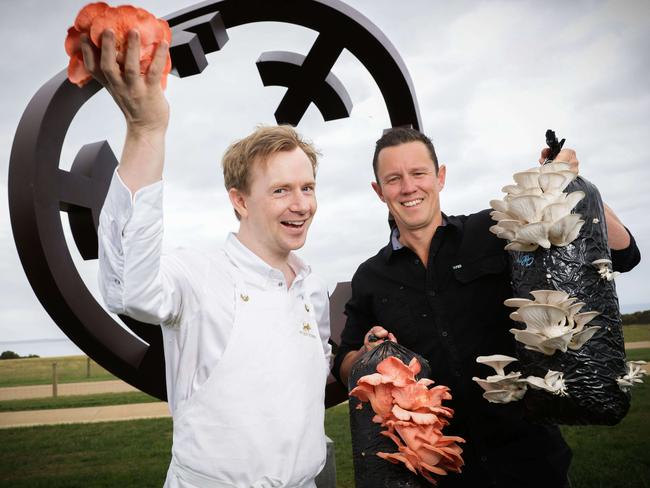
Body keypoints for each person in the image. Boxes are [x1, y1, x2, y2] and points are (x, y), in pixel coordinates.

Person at [85, 29, 331, 487]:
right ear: (239, 201)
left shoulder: (311, 288)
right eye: (281, 190)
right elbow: (126, 288)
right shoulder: (197, 273)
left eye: (307, 188)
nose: (301, 205)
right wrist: (146, 131)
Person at [332, 127, 641, 488]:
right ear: (378, 191)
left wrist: (563, 184)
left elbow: (624, 254)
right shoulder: (371, 277)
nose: (408, 187)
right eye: (393, 179)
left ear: (440, 176)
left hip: (530, 460)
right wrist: (371, 353)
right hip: (444, 470)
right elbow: (345, 363)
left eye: (419, 173)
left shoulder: (493, 230)